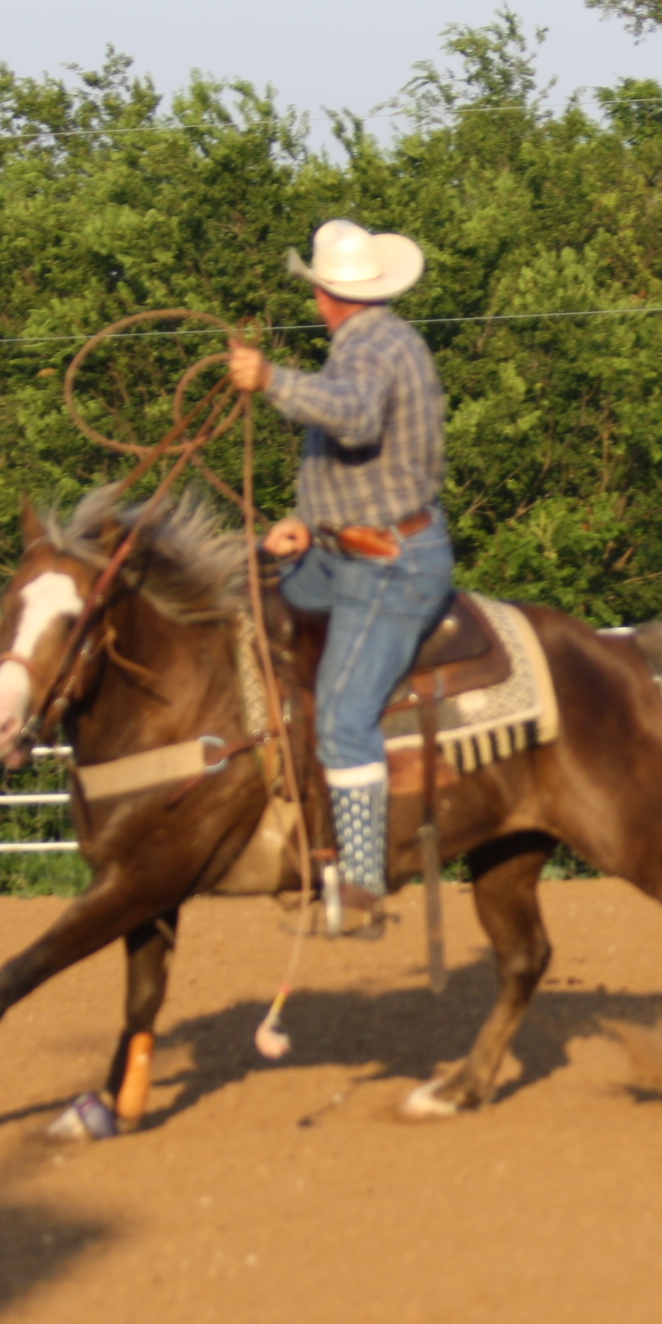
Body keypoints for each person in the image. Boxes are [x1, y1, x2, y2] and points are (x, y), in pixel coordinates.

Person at [226, 218, 455, 936]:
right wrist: (304, 522)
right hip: (341, 549)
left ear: (327, 294)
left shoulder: (375, 350)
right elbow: (357, 465)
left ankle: (360, 885)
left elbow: (353, 421)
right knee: (255, 617)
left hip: (391, 563)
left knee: (346, 716)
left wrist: (269, 380)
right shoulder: (368, 343)